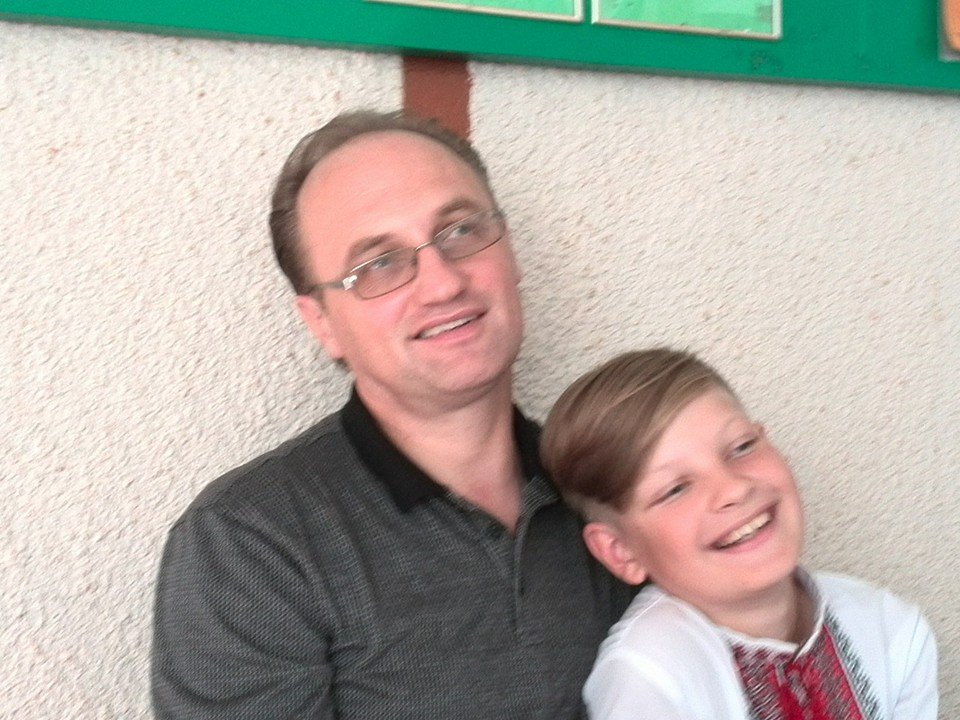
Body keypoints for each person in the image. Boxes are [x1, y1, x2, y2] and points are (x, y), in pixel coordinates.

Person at [150, 110, 630, 719]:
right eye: (378, 263)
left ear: (510, 254)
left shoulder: (613, 483)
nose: (443, 284)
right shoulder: (252, 544)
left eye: (460, 230)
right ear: (322, 323)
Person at [540, 348, 938, 720]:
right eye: (675, 489)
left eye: (742, 446)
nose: (733, 488)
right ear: (621, 551)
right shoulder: (650, 676)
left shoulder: (890, 627)